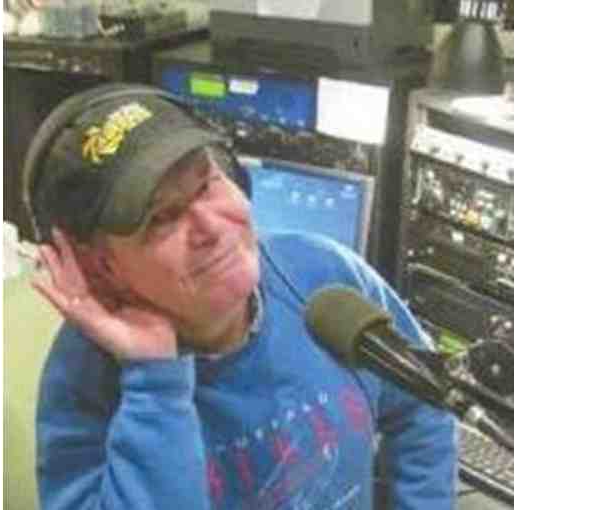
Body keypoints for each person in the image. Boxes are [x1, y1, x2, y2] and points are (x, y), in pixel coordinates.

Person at [27, 84, 457, 510]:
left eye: (206, 184)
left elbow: (424, 403)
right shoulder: (84, 380)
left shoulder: (325, 275)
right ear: (99, 268)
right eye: (161, 218)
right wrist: (154, 383)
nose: (211, 227)